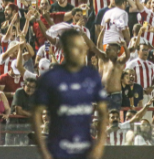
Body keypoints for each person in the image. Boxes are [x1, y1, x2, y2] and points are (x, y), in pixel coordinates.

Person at [32, 29, 108, 159]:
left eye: (83, 47)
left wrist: (99, 145)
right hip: (57, 151)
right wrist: (43, 151)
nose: (82, 51)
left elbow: (103, 112)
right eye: (76, 47)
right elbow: (36, 114)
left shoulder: (92, 75)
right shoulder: (50, 78)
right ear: (65, 49)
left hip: (86, 151)